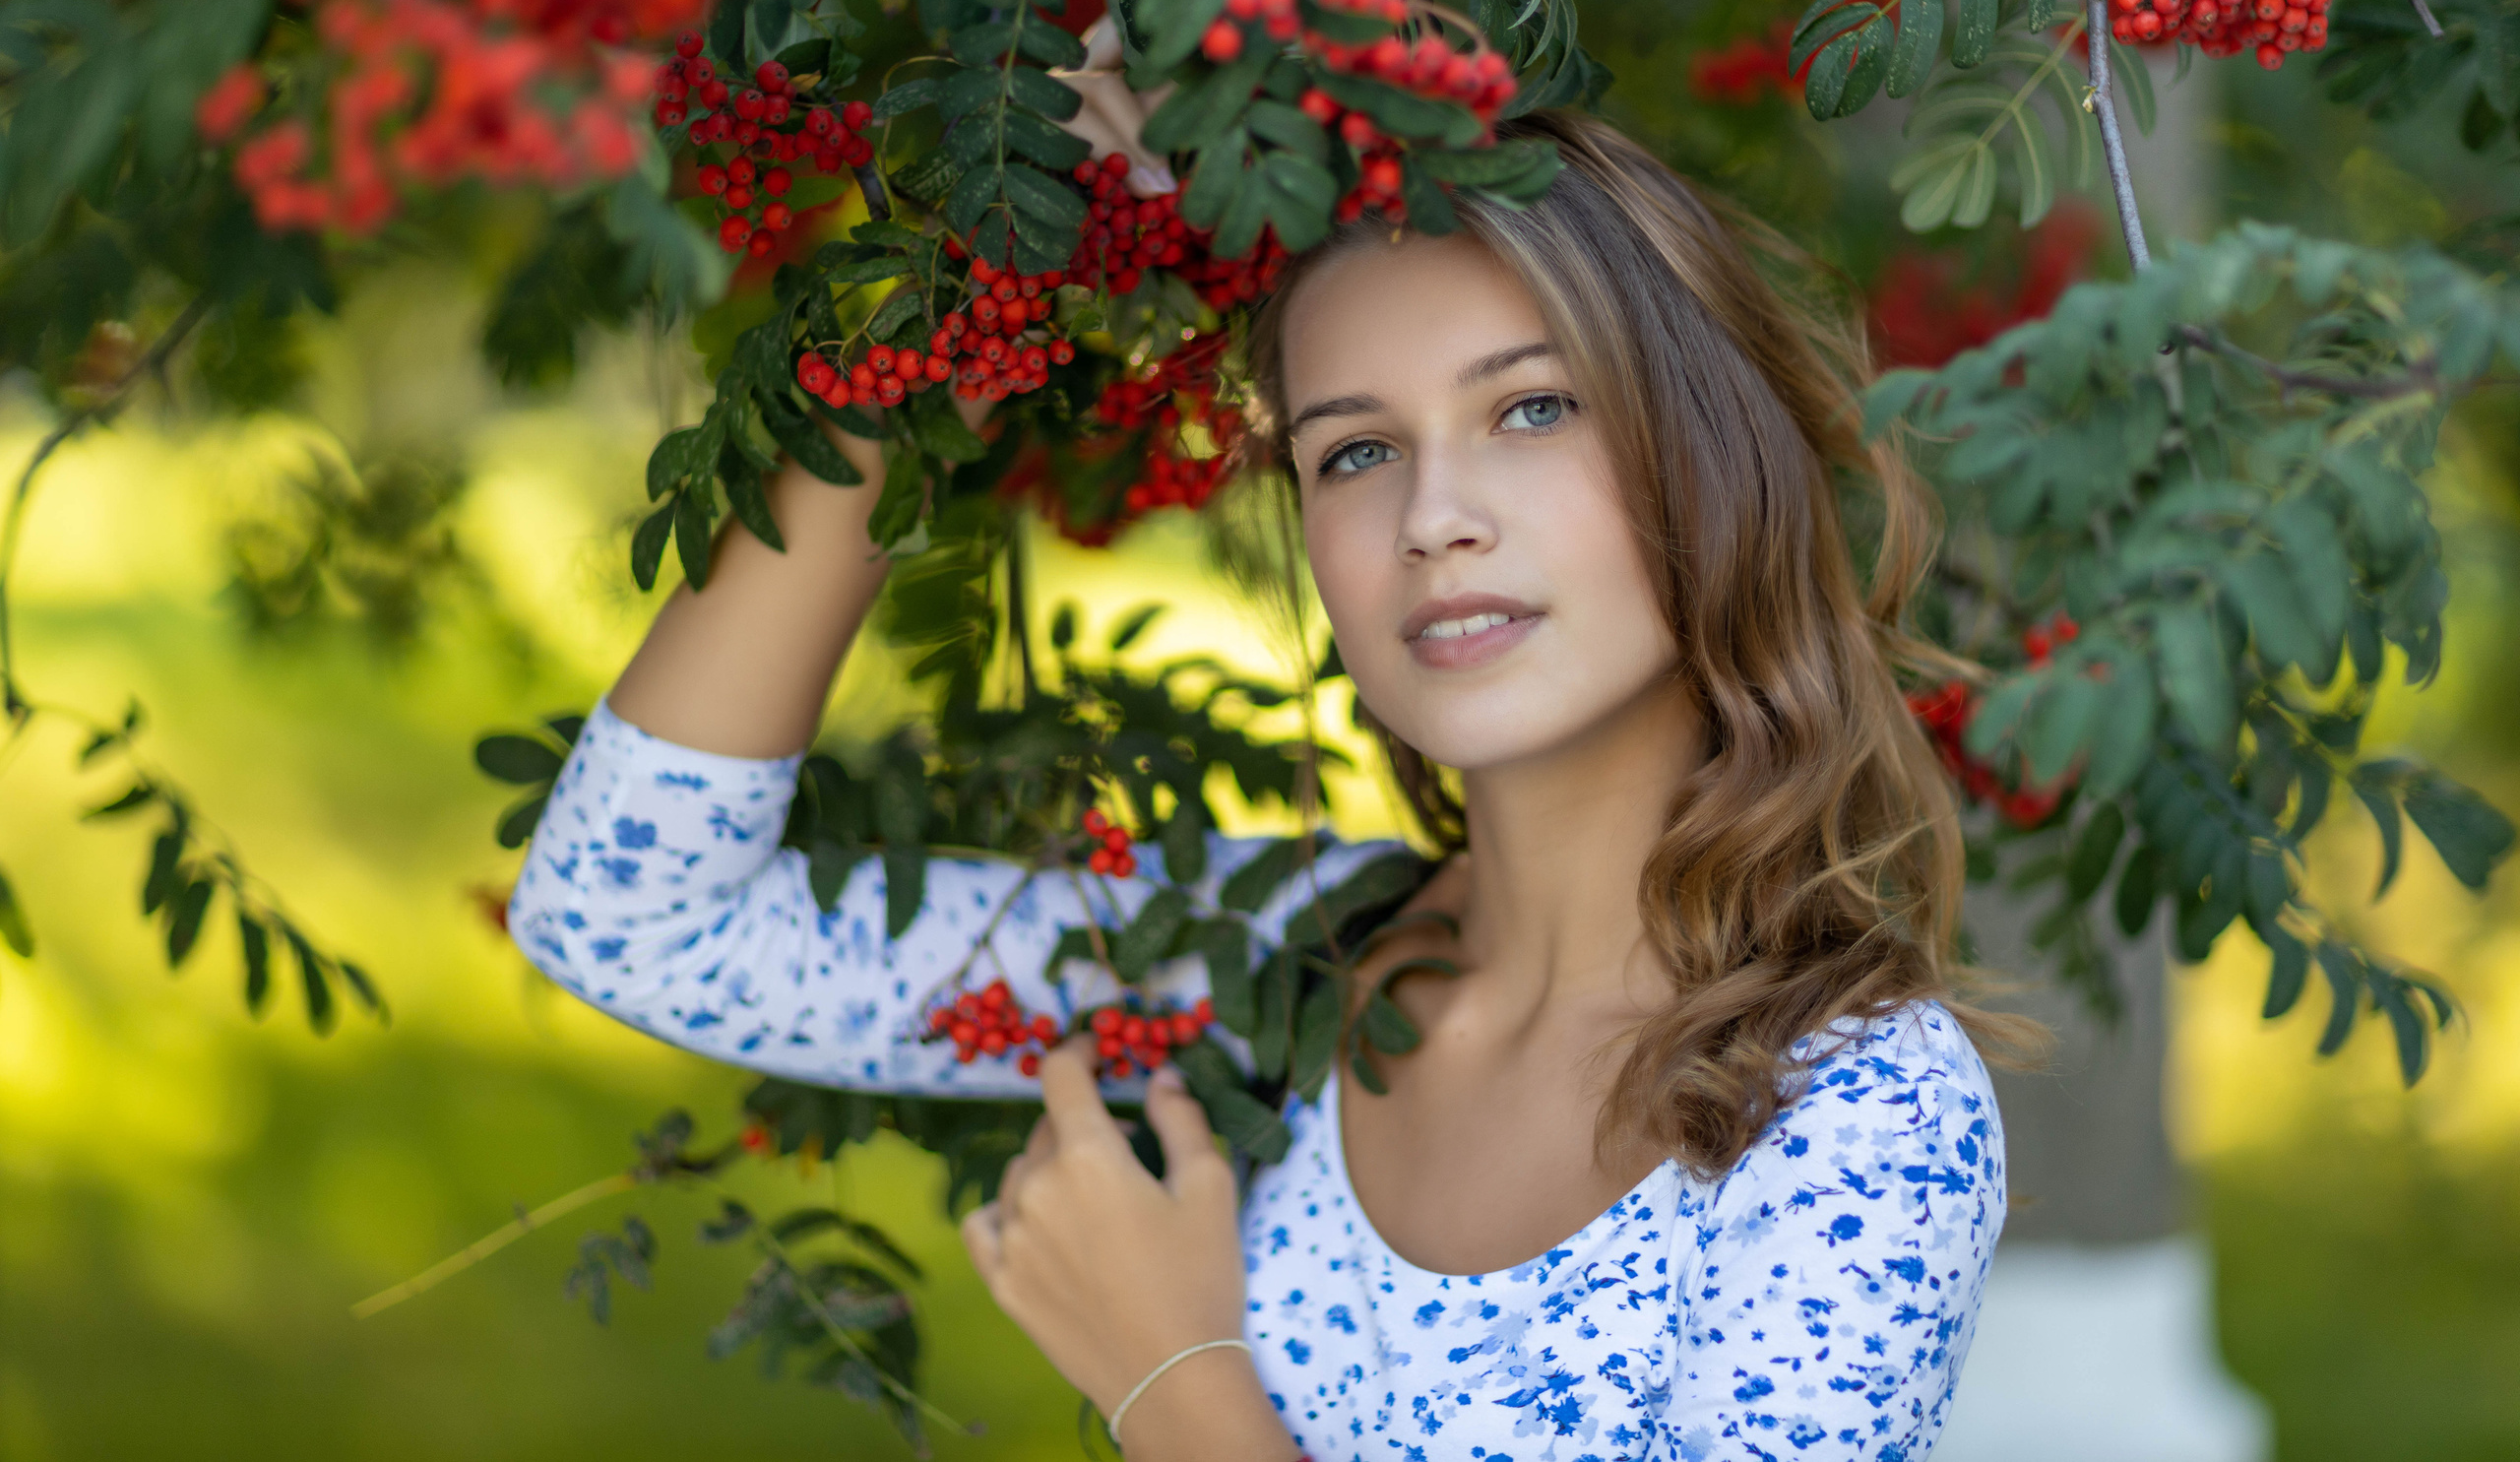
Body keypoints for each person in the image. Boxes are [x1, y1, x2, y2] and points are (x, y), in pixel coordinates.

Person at [507, 105, 2036, 1461]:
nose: (1435, 516)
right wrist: (964, 310)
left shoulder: (1848, 1115)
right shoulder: (1277, 962)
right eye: (1356, 452)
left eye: (1532, 407)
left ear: (1710, 452)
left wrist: (1176, 1388)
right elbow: (628, 914)